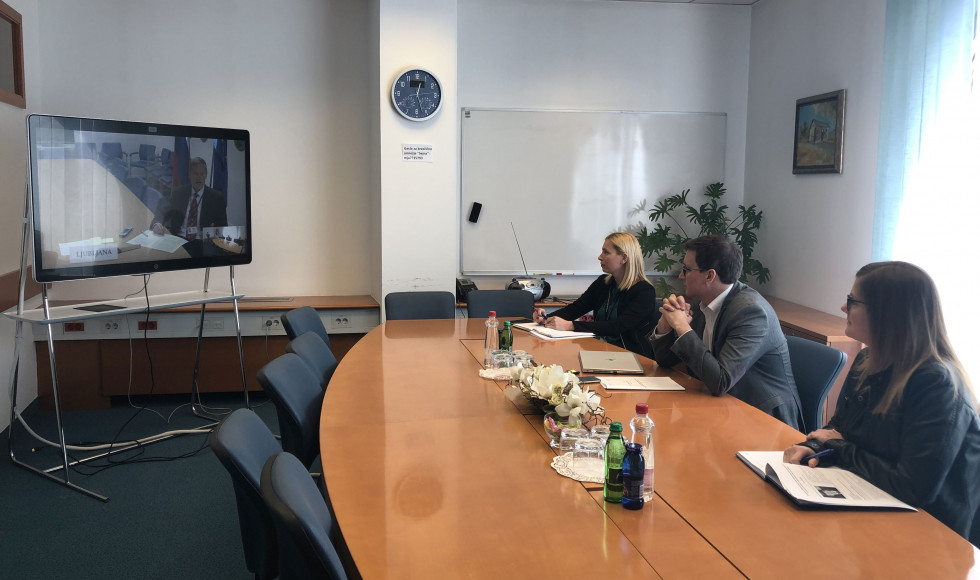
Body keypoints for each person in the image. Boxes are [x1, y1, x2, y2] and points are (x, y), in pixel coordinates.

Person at [783, 261, 980, 543]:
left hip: (929, 536)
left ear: (888, 313)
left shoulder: (937, 383)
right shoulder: (868, 359)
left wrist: (834, 446)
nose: (843, 307)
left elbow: (913, 487)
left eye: (852, 301)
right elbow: (840, 425)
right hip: (871, 503)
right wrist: (812, 445)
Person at [650, 235, 803, 429]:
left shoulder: (751, 312)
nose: (681, 276)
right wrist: (666, 324)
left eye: (687, 270)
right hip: (720, 406)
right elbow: (665, 361)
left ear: (709, 276)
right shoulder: (702, 303)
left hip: (763, 420)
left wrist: (682, 327)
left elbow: (721, 381)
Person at [532, 232, 658, 357]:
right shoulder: (603, 283)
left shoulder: (644, 291)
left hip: (632, 358)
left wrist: (571, 325)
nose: (600, 257)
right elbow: (575, 309)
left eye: (606, 252)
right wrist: (546, 318)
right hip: (600, 351)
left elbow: (618, 326)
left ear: (624, 258)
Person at [151, 156, 227, 239]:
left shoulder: (216, 198)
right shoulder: (178, 192)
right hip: (179, 237)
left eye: (201, 173)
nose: (198, 177)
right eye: (195, 173)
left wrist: (211, 234)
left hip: (201, 241)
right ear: (189, 175)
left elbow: (223, 228)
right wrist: (157, 224)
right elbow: (162, 211)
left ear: (206, 175)